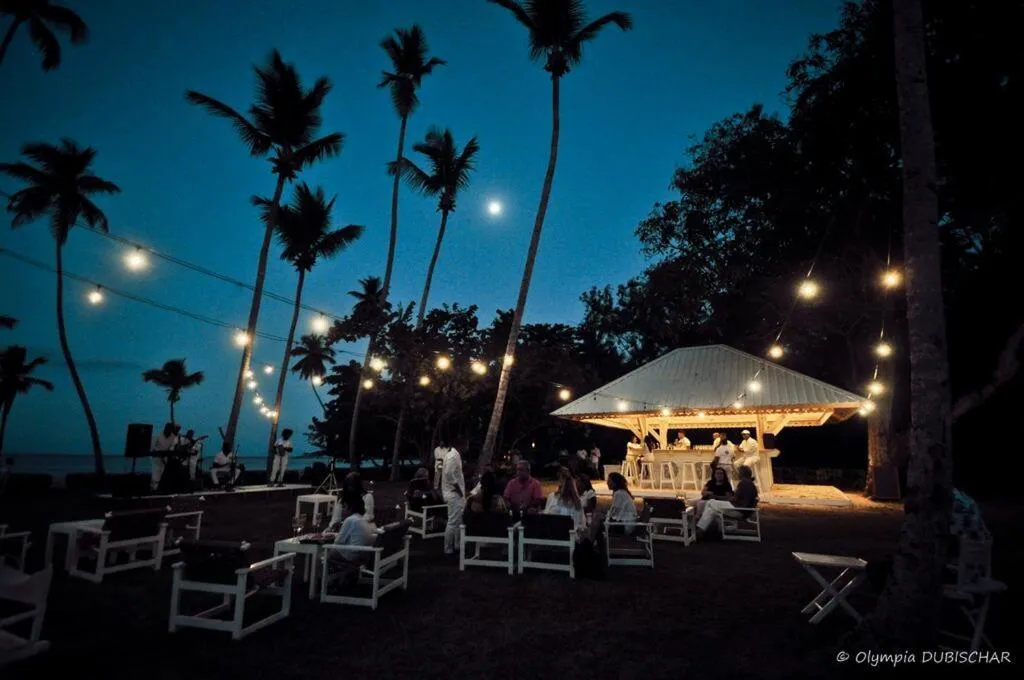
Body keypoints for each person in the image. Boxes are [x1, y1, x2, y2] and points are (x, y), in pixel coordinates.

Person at [328, 493, 378, 585]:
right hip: (361, 554)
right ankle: (342, 577)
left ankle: (328, 581)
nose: (342, 510)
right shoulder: (362, 520)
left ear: (348, 508)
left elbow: (338, 541)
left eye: (343, 507)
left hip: (351, 556)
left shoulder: (350, 520)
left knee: (326, 552)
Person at [696, 465, 759, 537]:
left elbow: (734, 499)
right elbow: (739, 497)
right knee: (710, 510)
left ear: (742, 473)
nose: (737, 474)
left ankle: (698, 522)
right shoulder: (749, 483)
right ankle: (700, 531)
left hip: (739, 510)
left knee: (710, 502)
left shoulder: (744, 483)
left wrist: (718, 497)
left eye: (738, 472)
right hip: (742, 509)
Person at [589, 472, 638, 541]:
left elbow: (614, 514)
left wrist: (604, 516)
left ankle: (591, 541)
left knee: (597, 521)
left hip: (625, 525)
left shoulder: (619, 493)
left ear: (615, 483)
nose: (607, 483)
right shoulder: (621, 492)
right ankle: (594, 541)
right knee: (597, 518)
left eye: (609, 481)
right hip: (626, 523)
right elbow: (614, 512)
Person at [440, 441, 466, 556]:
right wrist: (459, 489)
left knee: (458, 520)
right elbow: (448, 473)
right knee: (452, 521)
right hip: (453, 493)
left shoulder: (453, 455)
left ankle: (457, 544)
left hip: (454, 493)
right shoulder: (453, 456)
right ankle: (448, 548)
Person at [151, 423, 179, 491]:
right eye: (170, 428)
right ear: (166, 428)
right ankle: (153, 488)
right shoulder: (158, 435)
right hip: (156, 458)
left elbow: (171, 447)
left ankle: (157, 488)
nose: (171, 430)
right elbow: (152, 448)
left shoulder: (172, 437)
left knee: (161, 472)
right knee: (156, 472)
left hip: (165, 457)